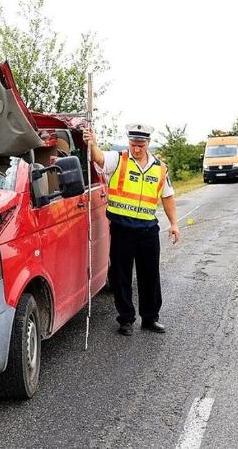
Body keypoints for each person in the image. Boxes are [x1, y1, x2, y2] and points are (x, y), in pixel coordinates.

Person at [83, 123, 181, 336]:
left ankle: (150, 318)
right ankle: (125, 320)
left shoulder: (160, 168)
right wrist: (93, 142)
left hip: (148, 231)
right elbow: (98, 158)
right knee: (121, 276)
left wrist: (173, 224)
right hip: (122, 229)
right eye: (133, 144)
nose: (136, 149)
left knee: (150, 276)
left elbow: (167, 197)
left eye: (140, 145)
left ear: (148, 143)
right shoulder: (118, 159)